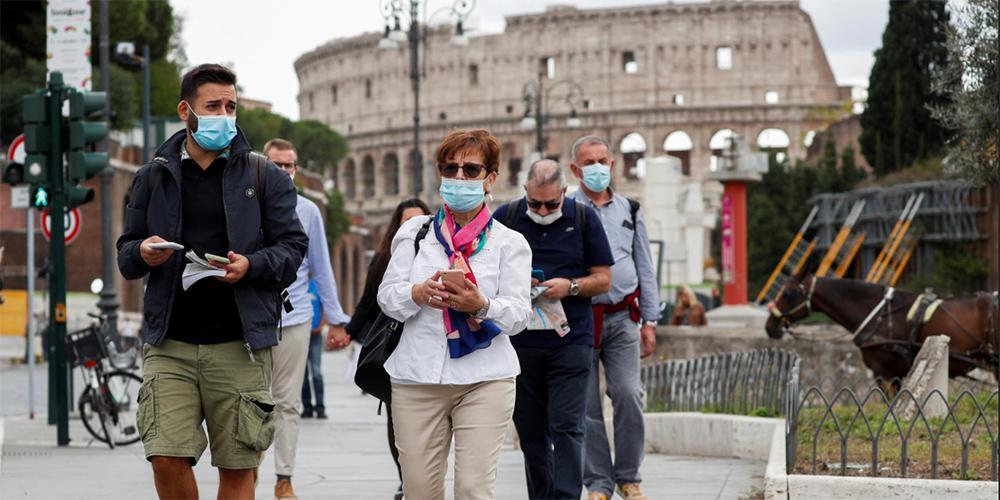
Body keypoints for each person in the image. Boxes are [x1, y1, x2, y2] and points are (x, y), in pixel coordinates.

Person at [116, 64, 308, 500]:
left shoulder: (265, 176)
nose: (225, 114)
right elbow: (126, 253)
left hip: (240, 344)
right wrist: (142, 252)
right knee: (165, 456)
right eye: (213, 105)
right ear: (186, 110)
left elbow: (293, 248)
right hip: (170, 345)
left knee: (238, 468)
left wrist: (252, 265)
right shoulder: (153, 176)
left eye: (231, 106)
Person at [377, 129, 532, 500]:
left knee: (473, 489)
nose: (459, 177)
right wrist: (417, 293)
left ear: (490, 178)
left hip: (485, 378)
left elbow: (519, 315)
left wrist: (480, 305)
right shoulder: (414, 233)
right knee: (420, 491)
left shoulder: (509, 242)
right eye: (451, 168)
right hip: (417, 379)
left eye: (471, 169)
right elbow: (387, 297)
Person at [493, 159, 614, 500]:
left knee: (567, 427)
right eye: (535, 203)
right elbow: (484, 274)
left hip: (570, 340)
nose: (542, 210)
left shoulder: (583, 218)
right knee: (531, 434)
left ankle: (566, 497)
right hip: (520, 344)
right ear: (525, 193)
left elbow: (604, 278)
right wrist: (516, 283)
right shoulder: (508, 218)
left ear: (565, 192)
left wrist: (570, 287)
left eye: (550, 203)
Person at [569, 135, 660, 500]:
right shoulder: (565, 209)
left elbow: (645, 268)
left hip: (623, 316)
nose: (596, 168)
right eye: (588, 162)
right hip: (579, 318)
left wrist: (650, 321)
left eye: (601, 160)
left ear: (613, 163)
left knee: (627, 393)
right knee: (586, 405)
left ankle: (628, 476)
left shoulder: (631, 210)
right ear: (576, 169)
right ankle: (598, 483)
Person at [264, 138, 352, 499]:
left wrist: (337, 319)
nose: (285, 171)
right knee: (251, 401)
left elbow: (322, 268)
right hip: (249, 320)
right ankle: (248, 467)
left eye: (290, 165)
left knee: (287, 402)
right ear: (262, 165)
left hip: (296, 317)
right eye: (277, 164)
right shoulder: (244, 205)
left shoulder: (309, 211)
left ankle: (284, 478)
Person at [345, 198, 430, 500]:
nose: (412, 228)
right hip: (394, 347)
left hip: (430, 347)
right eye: (406, 222)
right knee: (398, 420)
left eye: (418, 221)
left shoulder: (438, 254)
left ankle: (425, 479)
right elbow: (368, 301)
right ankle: (405, 478)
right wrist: (348, 332)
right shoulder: (384, 259)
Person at [301, 279, 327, 419]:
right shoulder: (298, 284)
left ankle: (320, 407)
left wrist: (321, 325)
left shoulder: (317, 285)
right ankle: (307, 407)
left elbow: (325, 308)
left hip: (315, 335)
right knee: (303, 374)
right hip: (301, 334)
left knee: (316, 372)